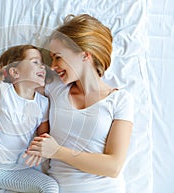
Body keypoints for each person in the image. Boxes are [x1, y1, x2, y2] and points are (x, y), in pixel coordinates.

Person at [24, 14, 134, 193]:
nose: (53, 66)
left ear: (85, 55)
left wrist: (57, 151)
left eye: (58, 57)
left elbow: (113, 166)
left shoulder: (120, 100)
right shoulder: (55, 88)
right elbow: (9, 92)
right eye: (51, 58)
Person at [0, 45, 59, 193]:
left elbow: (43, 136)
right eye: (35, 62)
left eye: (42, 63)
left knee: (50, 187)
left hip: (13, 170)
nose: (42, 66)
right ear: (15, 72)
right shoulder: (3, 92)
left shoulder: (43, 103)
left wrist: (39, 150)